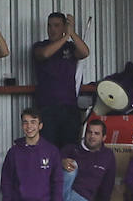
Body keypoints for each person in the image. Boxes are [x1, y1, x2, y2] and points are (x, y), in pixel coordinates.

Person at [33, 11, 91, 149]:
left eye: (57, 25)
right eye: (49, 25)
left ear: (64, 27)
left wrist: (72, 33)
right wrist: (66, 36)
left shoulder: (70, 47)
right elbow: (45, 54)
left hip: (69, 107)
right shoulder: (40, 46)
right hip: (47, 107)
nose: (52, 29)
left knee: (69, 150)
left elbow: (85, 52)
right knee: (48, 149)